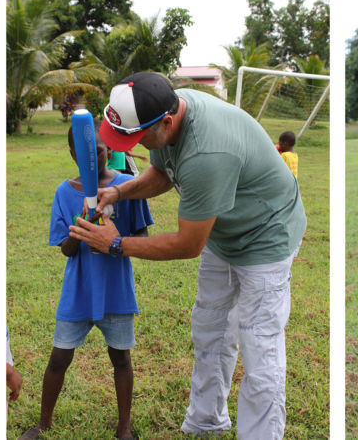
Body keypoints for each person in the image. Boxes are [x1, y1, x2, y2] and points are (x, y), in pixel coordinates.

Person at [70, 72, 306, 439]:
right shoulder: (163, 107)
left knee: (259, 346)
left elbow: (187, 244)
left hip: (266, 236)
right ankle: (205, 423)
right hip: (224, 234)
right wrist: (121, 192)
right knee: (209, 329)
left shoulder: (208, 152)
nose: (130, 148)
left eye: (136, 139)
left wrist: (115, 244)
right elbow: (164, 171)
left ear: (166, 122)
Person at [21, 125, 153, 440]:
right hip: (78, 291)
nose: (92, 160)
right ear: (71, 155)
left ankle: (124, 427)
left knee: (120, 357)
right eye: (83, 155)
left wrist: (114, 238)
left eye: (97, 151)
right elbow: (66, 251)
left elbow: (142, 239)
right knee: (58, 358)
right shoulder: (64, 192)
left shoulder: (127, 186)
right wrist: (80, 227)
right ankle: (44, 423)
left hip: (115, 291)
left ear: (109, 149)